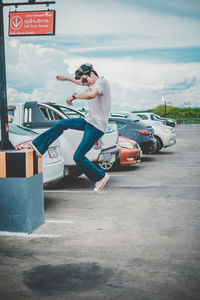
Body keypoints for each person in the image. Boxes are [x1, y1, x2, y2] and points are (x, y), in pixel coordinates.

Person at [29, 63, 111, 192]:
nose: (86, 85)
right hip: (88, 121)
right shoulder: (91, 81)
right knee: (61, 124)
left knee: (78, 156)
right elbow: (80, 82)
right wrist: (66, 78)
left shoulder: (101, 82)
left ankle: (101, 177)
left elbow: (92, 94)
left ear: (92, 74)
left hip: (96, 127)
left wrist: (74, 96)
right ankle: (40, 147)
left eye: (86, 81)